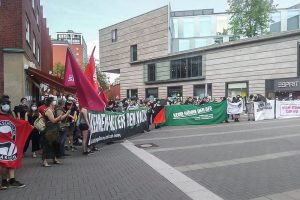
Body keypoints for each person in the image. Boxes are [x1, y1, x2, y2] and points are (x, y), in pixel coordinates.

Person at [0, 96, 25, 189]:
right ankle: (4, 181)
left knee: (11, 160)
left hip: (10, 142)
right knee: (3, 163)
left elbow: (17, 124)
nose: (6, 106)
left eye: (7, 104)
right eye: (4, 104)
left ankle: (11, 180)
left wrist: (27, 126)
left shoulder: (10, 116)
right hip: (1, 143)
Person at [41, 97, 71, 167]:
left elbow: (58, 119)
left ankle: (54, 159)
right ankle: (44, 161)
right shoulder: (48, 110)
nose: (55, 102)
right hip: (49, 130)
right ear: (50, 102)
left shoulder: (53, 109)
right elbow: (53, 120)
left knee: (55, 144)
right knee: (47, 145)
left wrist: (66, 114)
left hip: (54, 129)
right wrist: (61, 115)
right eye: (53, 101)